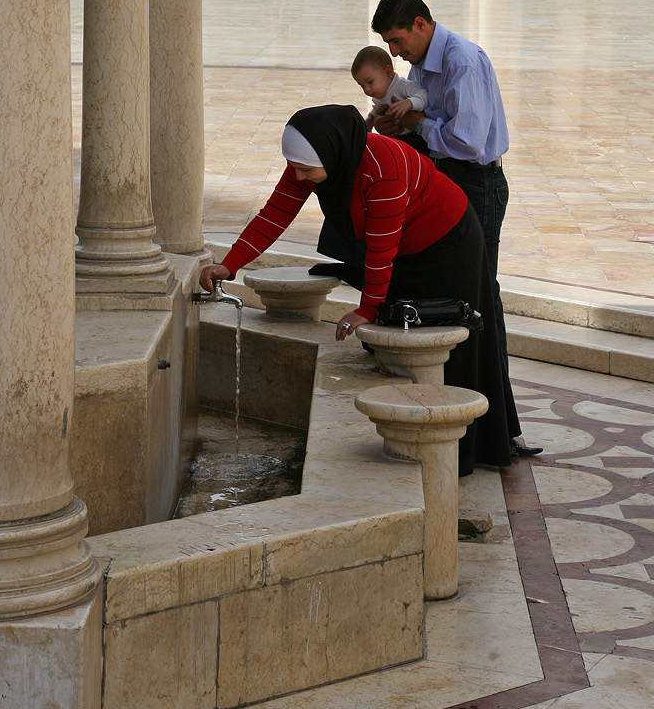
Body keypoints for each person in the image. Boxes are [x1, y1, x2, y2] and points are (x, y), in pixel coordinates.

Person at [198, 104, 524, 471]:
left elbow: (381, 249)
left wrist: (366, 309)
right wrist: (231, 264)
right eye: (295, 168)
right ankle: (418, 441)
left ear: (333, 152)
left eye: (305, 170)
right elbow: (274, 214)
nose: (299, 177)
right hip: (406, 246)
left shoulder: (381, 168)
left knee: (459, 343)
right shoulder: (315, 160)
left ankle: (467, 453)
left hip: (449, 243)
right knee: (405, 329)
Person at [369, 0, 540, 461]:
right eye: (390, 45)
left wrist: (418, 123)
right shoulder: (423, 66)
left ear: (421, 24)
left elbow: (465, 140)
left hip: (477, 184)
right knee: (460, 297)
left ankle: (498, 427)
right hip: (447, 182)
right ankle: (463, 415)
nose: (395, 54)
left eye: (398, 41)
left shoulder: (462, 60)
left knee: (483, 296)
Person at [351, 44, 426, 131]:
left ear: (388, 72)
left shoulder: (403, 86)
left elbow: (424, 95)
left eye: (370, 82)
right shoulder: (380, 94)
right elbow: (377, 108)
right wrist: (370, 119)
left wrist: (409, 103)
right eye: (362, 85)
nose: (366, 89)